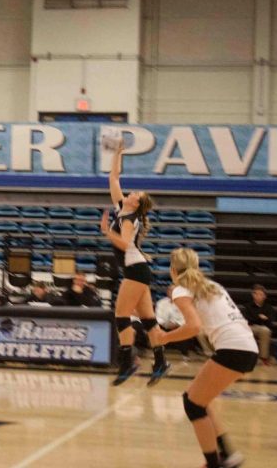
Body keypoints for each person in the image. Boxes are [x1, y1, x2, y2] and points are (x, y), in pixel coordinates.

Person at [159, 248, 257, 468]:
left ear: (173, 270)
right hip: (247, 346)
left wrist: (164, 337)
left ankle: (214, 463)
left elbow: (193, 327)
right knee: (200, 399)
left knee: (192, 404)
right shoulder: (213, 285)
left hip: (233, 348)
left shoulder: (180, 290)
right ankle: (226, 454)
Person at [100, 143, 168, 386]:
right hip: (137, 269)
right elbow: (113, 177)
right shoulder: (122, 210)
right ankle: (160, 361)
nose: (129, 194)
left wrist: (106, 232)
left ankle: (128, 362)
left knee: (121, 314)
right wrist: (118, 153)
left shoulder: (129, 218)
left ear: (136, 205)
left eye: (134, 196)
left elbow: (125, 244)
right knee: (148, 319)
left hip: (135, 269)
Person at [156, 284, 214, 358]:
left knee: (187, 329)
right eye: (170, 290)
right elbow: (158, 317)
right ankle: (157, 351)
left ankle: (186, 354)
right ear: (167, 292)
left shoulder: (184, 303)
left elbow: (188, 318)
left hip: (181, 325)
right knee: (154, 328)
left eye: (174, 291)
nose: (171, 292)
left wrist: (177, 324)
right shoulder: (161, 303)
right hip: (164, 325)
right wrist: (165, 324)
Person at [242, 284, 274, 365]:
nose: (258, 296)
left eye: (260, 294)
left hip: (263, 328)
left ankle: (263, 358)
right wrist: (259, 318)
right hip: (251, 327)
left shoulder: (269, 308)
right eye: (256, 294)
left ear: (264, 296)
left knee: (265, 331)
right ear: (253, 295)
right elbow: (246, 319)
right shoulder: (248, 306)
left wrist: (265, 319)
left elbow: (270, 321)